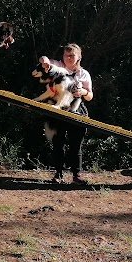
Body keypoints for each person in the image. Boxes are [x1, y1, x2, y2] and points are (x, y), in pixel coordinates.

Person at [40, 44, 94, 185]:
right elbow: (45, 60)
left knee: (76, 145)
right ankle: (58, 174)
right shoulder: (58, 66)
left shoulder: (84, 74)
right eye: (66, 55)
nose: (69, 58)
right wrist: (44, 61)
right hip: (58, 107)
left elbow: (90, 96)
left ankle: (76, 176)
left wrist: (83, 92)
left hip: (76, 109)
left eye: (72, 55)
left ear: (79, 57)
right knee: (58, 143)